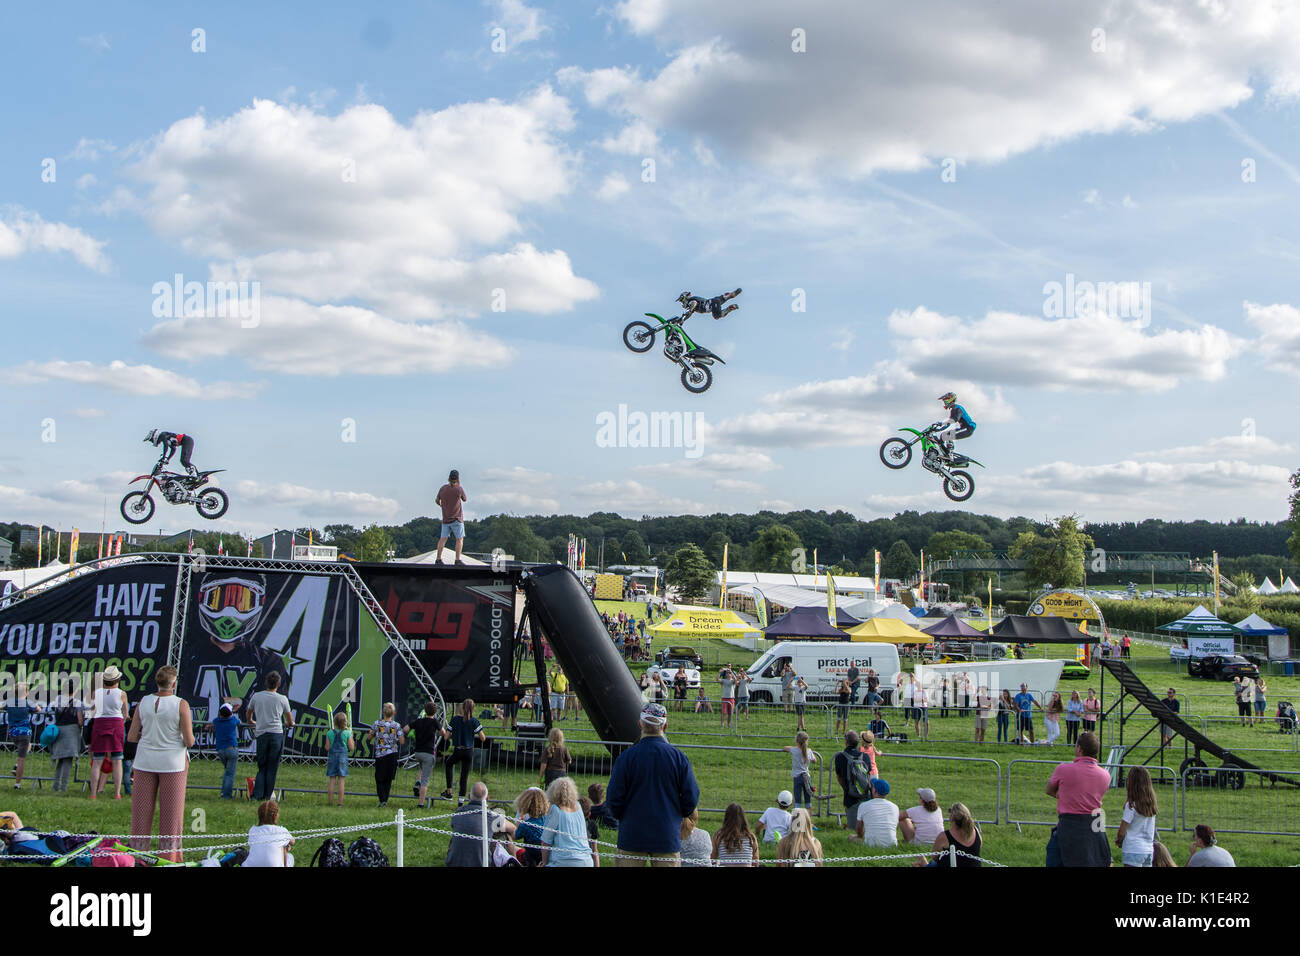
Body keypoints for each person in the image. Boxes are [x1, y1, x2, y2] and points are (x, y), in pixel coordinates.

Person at [605, 702, 700, 867]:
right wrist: (677, 814)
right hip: (666, 833)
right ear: (665, 726)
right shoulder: (678, 758)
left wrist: (625, 817)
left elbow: (613, 797)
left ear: (640, 724)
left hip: (632, 834)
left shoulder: (627, 758)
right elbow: (691, 796)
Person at [127, 665, 194, 863]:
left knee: (140, 812)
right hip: (172, 762)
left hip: (145, 759)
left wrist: (149, 736)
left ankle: (138, 855)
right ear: (174, 683)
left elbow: (131, 736)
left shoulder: (143, 702)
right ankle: (169, 856)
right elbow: (189, 741)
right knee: (171, 815)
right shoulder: (181, 704)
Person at [1045, 730, 1111, 867]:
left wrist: (1065, 796)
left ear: (1079, 749)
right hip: (1094, 827)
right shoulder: (1105, 775)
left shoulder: (1063, 769)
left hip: (1069, 826)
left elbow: (1049, 790)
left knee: (1056, 855)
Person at [248, 671, 294, 801]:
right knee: (272, 766)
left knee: (262, 766)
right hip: (276, 734)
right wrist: (289, 723)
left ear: (265, 682)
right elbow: (289, 719)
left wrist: (251, 721)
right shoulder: (282, 698)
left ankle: (257, 794)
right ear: (278, 684)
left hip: (262, 733)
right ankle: (268, 795)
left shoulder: (257, 696)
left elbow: (249, 712)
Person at [446, 782, 516, 867]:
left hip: (453, 863)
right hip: (482, 864)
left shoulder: (458, 812)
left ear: (468, 796)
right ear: (487, 798)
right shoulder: (491, 816)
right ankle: (513, 860)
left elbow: (454, 826)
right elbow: (513, 829)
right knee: (505, 834)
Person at [89, 667, 129, 800]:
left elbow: (92, 709)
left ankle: (93, 793)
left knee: (97, 761)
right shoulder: (122, 693)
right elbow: (125, 713)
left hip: (100, 723)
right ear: (117, 679)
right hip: (116, 724)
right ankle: (117, 792)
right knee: (117, 760)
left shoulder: (96, 693)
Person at [541, 776, 595, 867]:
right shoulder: (578, 807)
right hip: (586, 860)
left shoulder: (556, 809)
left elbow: (545, 841)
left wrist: (544, 863)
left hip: (563, 860)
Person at [443, 699, 485, 803]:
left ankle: (449, 791)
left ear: (462, 707)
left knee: (448, 764)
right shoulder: (474, 721)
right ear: (473, 708)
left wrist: (455, 735)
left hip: (458, 749)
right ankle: (460, 801)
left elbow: (446, 737)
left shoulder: (455, 719)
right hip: (469, 750)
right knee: (464, 776)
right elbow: (483, 738)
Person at [915, 802, 981, 868]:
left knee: (932, 864)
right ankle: (923, 863)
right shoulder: (976, 831)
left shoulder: (944, 836)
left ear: (952, 817)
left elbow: (934, 856)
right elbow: (979, 847)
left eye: (950, 811)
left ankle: (923, 863)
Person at [1115, 765, 1158, 867]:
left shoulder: (1131, 805)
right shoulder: (1151, 804)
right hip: (1148, 849)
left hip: (1133, 848)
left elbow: (1122, 831)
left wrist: (1119, 840)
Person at [403, 701, 441, 809]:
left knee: (421, 768)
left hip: (418, 752)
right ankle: (421, 803)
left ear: (425, 711)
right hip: (428, 753)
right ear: (435, 712)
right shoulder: (435, 722)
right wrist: (436, 733)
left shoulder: (419, 721)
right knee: (426, 780)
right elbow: (442, 732)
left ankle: (417, 783)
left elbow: (405, 729)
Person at [4, 683, 42, 790]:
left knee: (27, 747)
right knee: (21, 759)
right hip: (24, 733)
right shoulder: (27, 703)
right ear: (26, 692)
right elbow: (39, 709)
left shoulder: (10, 703)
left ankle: (17, 766)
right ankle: (17, 784)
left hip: (12, 733)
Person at [49, 689, 84, 793]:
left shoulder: (57, 700)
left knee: (60, 760)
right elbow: (80, 721)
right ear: (75, 690)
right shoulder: (77, 702)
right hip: (71, 732)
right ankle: (63, 787)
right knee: (68, 760)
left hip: (59, 730)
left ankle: (55, 785)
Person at [833, 731, 870, 832]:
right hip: (865, 794)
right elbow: (868, 776)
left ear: (846, 742)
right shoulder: (865, 757)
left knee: (852, 828)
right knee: (865, 826)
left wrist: (846, 787)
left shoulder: (840, 757)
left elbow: (839, 776)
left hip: (849, 795)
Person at [368, 702, 402, 807]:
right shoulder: (396, 725)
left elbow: (369, 737)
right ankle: (385, 799)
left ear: (383, 712)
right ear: (394, 713)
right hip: (392, 754)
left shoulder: (376, 724)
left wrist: (374, 736)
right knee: (388, 778)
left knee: (379, 778)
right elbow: (402, 740)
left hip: (380, 754)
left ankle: (382, 799)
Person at [245, 799, 295, 867]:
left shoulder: (253, 830)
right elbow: (293, 842)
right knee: (290, 856)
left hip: (250, 865)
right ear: (276, 816)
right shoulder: (281, 830)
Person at [434, 469, 468, 564]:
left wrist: (442, 506)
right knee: (459, 539)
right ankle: (457, 559)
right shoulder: (459, 488)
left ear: (449, 478)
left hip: (445, 519)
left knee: (443, 539)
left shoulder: (443, 488)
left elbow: (437, 500)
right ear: (457, 478)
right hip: (457, 519)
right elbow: (464, 499)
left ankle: (438, 558)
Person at [209, 702, 241, 799]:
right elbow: (238, 721)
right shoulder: (233, 720)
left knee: (227, 772)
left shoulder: (216, 721)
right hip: (231, 749)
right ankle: (226, 795)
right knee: (230, 773)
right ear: (231, 713)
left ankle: (224, 791)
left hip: (221, 750)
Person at [854, 778, 899, 847]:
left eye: (872, 787)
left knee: (851, 837)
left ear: (875, 791)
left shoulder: (863, 805)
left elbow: (859, 829)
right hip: (892, 844)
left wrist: (860, 836)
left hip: (871, 844)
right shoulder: (895, 807)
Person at [513, 786, 550, 867]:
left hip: (531, 857)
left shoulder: (525, 825)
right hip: (547, 856)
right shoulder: (547, 820)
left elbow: (515, 836)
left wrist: (519, 821)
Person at [933, 392, 976, 459]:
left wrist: (941, 423)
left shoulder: (958, 408)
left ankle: (950, 454)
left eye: (945, 400)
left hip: (968, 428)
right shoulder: (953, 410)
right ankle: (944, 453)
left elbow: (955, 419)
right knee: (943, 436)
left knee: (946, 435)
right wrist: (937, 430)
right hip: (965, 428)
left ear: (950, 399)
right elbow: (948, 424)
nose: (944, 402)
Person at [325, 709, 355, 806]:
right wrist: (352, 738)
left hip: (332, 757)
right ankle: (340, 802)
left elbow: (327, 747)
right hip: (342, 758)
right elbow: (351, 747)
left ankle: (330, 802)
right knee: (341, 780)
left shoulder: (329, 733)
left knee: (332, 779)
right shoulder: (347, 733)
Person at [783, 731, 819, 810]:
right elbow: (815, 761)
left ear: (796, 741)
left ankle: (797, 820)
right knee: (808, 801)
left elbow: (785, 747)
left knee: (797, 801)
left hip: (797, 777)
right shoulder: (809, 751)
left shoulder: (794, 750)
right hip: (807, 777)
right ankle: (808, 821)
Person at [677, 287, 742, 321]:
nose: (682, 303)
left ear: (685, 298)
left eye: (682, 301)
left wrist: (690, 310)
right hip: (714, 300)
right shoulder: (693, 301)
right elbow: (689, 314)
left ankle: (730, 308)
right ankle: (729, 295)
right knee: (725, 298)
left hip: (712, 304)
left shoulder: (690, 301)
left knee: (717, 316)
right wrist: (682, 320)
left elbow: (694, 303)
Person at [718, 664, 737, 729]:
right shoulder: (724, 680)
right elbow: (717, 679)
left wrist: (731, 672)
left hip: (731, 698)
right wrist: (719, 673)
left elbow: (736, 680)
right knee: (724, 713)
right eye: (728, 674)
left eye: (730, 674)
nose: (728, 675)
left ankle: (728, 724)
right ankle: (722, 725)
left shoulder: (732, 681)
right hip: (724, 698)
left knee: (730, 713)